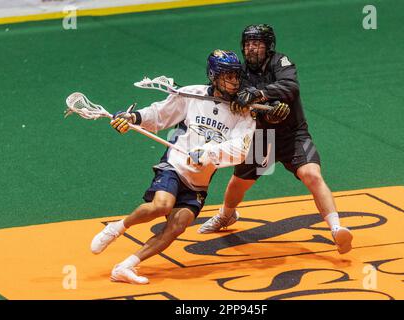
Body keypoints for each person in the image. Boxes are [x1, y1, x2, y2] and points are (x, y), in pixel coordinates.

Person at [90, 50, 259, 284]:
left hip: (199, 181)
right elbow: (160, 114)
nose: (233, 81)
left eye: (236, 76)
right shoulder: (192, 95)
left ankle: (125, 267)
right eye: (227, 76)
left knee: (178, 226)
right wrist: (133, 118)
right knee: (162, 205)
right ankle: (116, 228)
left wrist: (208, 152)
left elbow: (240, 149)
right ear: (213, 76)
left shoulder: (242, 110)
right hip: (175, 165)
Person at [198, 25, 353, 255]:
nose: (251, 48)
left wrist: (260, 94)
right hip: (262, 137)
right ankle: (226, 215)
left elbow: (290, 87)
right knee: (238, 183)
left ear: (268, 46)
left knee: (312, 175)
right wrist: (240, 102)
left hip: (292, 136)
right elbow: (233, 98)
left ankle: (337, 229)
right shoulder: (238, 74)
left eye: (257, 43)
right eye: (248, 43)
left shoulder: (281, 62)